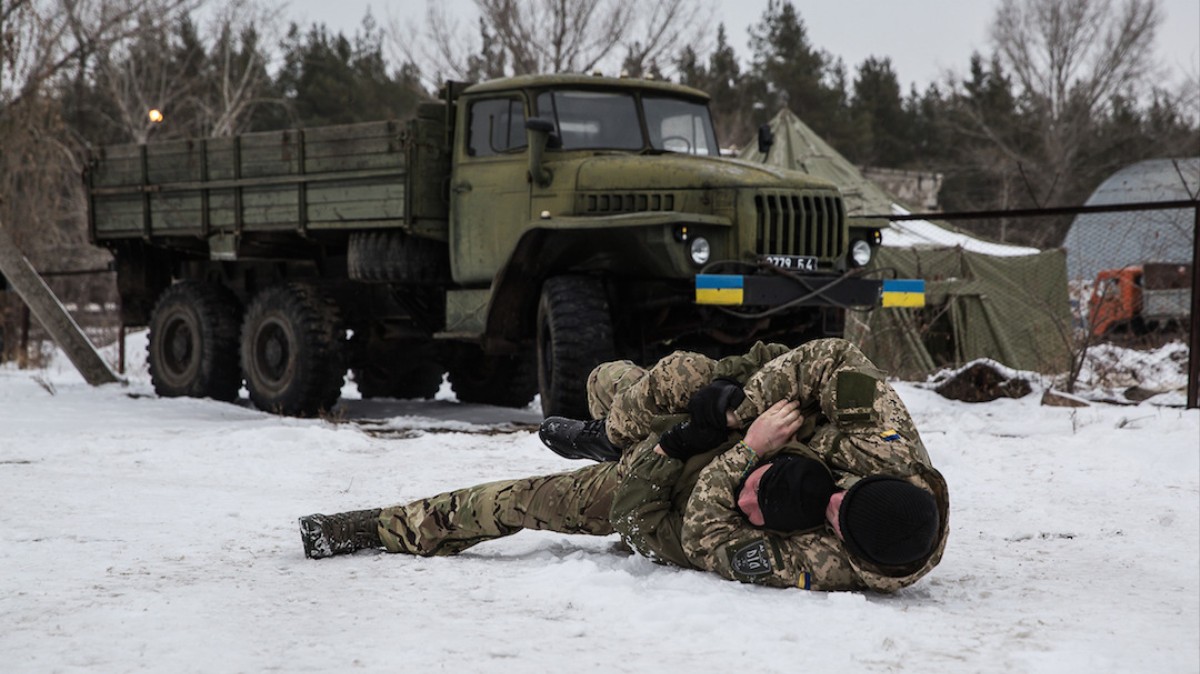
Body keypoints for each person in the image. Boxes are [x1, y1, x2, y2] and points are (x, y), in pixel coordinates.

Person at [299, 339, 949, 593]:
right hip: (729, 429)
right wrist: (738, 404)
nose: (830, 505)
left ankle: (374, 527)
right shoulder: (887, 446)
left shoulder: (828, 565)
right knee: (621, 376)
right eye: (843, 494)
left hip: (662, 481)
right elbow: (834, 359)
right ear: (875, 474)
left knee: (517, 501)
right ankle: (605, 431)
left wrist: (727, 448)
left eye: (833, 519)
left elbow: (696, 535)